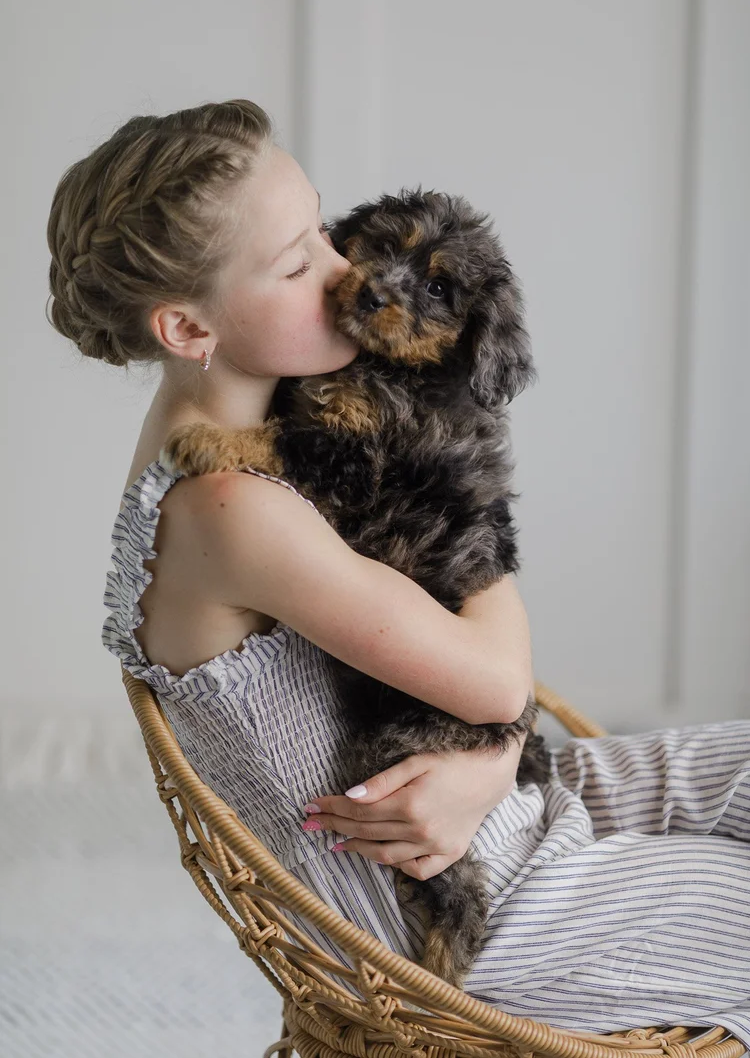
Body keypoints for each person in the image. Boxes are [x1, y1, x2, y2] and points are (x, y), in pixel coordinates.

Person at [47, 99, 750, 1045]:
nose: (349, 270)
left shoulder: (241, 418)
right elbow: (496, 682)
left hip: (488, 799)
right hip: (456, 907)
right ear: (185, 327)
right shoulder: (228, 504)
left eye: (325, 232)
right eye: (296, 264)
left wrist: (490, 767)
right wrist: (469, 499)